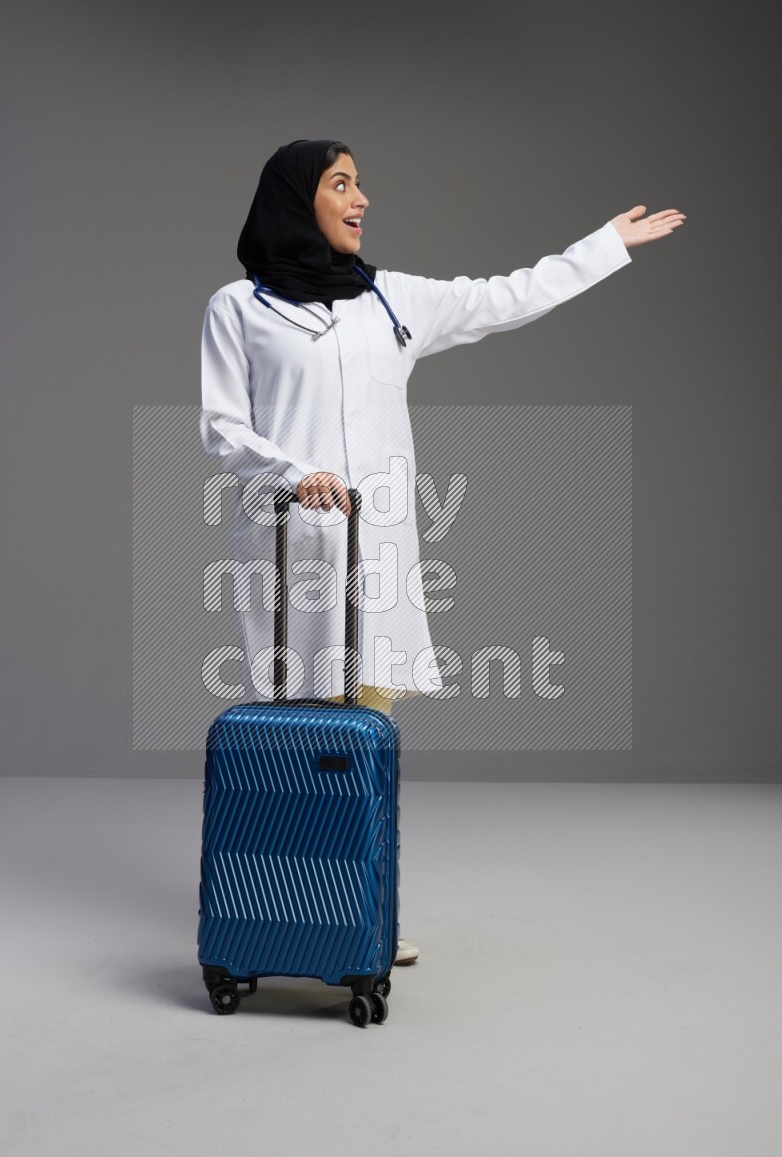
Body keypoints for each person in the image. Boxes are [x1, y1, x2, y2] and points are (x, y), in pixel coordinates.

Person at [200, 139, 685, 966]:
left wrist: (605, 245)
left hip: (375, 547)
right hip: (288, 547)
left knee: (367, 729)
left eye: (361, 184)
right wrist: (291, 473)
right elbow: (221, 426)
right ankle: (287, 913)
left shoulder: (389, 300)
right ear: (296, 199)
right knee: (294, 733)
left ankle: (361, 914)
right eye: (341, 183)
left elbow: (504, 297)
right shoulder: (239, 307)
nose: (362, 198)